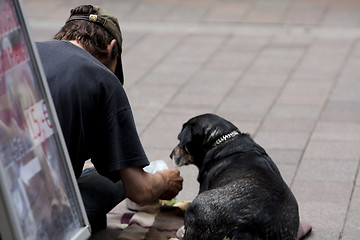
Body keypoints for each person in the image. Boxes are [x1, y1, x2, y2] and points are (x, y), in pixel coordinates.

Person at [36, 5, 183, 233]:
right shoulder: (103, 79)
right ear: (111, 47)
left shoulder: (24, 54)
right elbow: (139, 190)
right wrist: (164, 180)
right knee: (111, 180)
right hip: (33, 220)